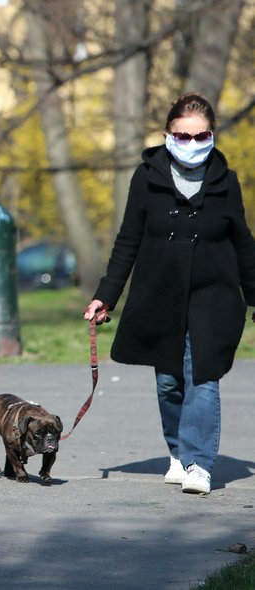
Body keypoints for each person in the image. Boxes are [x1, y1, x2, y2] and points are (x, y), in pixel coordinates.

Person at [84, 92, 255, 495]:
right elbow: (128, 240)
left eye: (201, 136)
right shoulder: (146, 178)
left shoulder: (225, 180)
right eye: (183, 135)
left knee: (203, 378)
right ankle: (178, 452)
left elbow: (243, 241)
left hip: (214, 295)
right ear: (167, 135)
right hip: (161, 293)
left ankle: (199, 464)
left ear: (211, 136)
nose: (192, 144)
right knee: (169, 382)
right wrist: (105, 296)